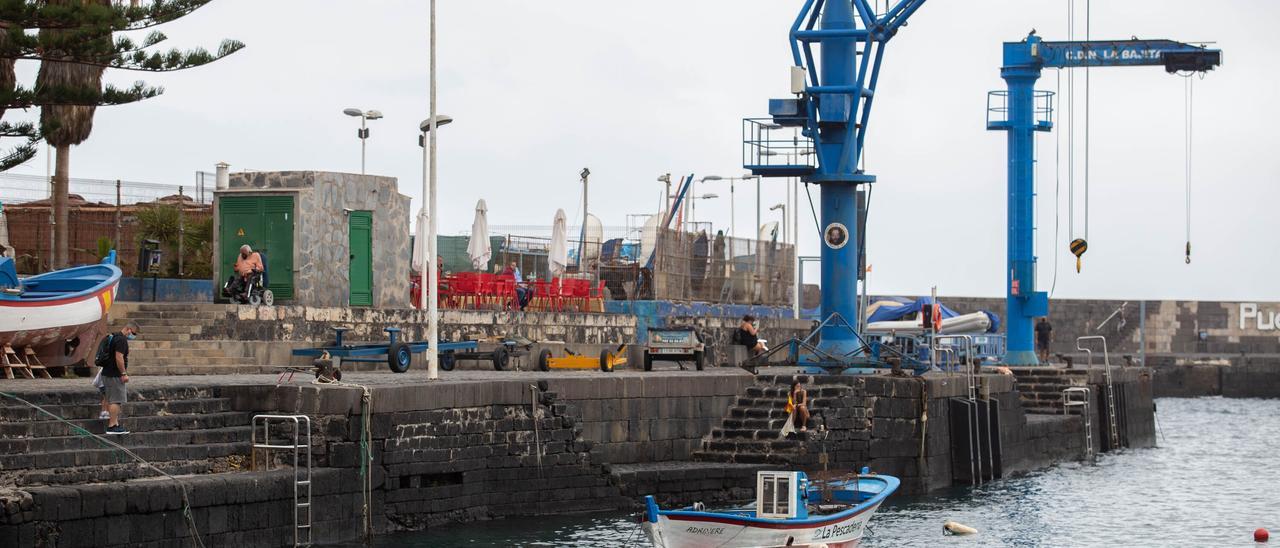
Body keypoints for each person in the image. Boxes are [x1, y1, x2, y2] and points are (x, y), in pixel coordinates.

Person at [102, 321, 140, 435]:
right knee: (116, 400)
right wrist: (123, 373)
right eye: (133, 333)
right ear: (128, 329)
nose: (133, 336)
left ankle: (116, 424)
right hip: (115, 374)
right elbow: (119, 357)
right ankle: (112, 426)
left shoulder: (114, 336)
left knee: (112, 399)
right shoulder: (121, 340)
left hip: (107, 372)